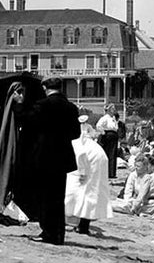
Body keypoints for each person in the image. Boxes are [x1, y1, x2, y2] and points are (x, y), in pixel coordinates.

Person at [15, 77, 80, 245]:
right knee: (58, 198)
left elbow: (25, 120)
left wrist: (20, 102)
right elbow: (76, 134)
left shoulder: (42, 105)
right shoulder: (71, 108)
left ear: (45, 87)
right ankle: (58, 234)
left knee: (44, 197)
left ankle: (48, 232)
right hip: (63, 157)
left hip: (44, 156)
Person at [66, 121, 109, 237]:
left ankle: (80, 225)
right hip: (96, 157)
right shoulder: (85, 140)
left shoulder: (75, 140)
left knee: (80, 192)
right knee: (91, 194)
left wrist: (82, 173)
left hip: (89, 160)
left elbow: (80, 155)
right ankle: (82, 225)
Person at [110, 151, 154, 218]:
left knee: (118, 205)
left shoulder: (149, 177)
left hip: (151, 207)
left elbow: (141, 196)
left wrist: (134, 208)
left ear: (152, 166)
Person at [95, 104, 121, 179]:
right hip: (108, 135)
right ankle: (106, 172)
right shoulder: (105, 118)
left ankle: (111, 173)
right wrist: (103, 133)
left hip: (113, 135)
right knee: (108, 154)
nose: (114, 110)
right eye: (113, 108)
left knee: (113, 154)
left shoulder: (112, 118)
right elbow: (98, 125)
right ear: (109, 110)